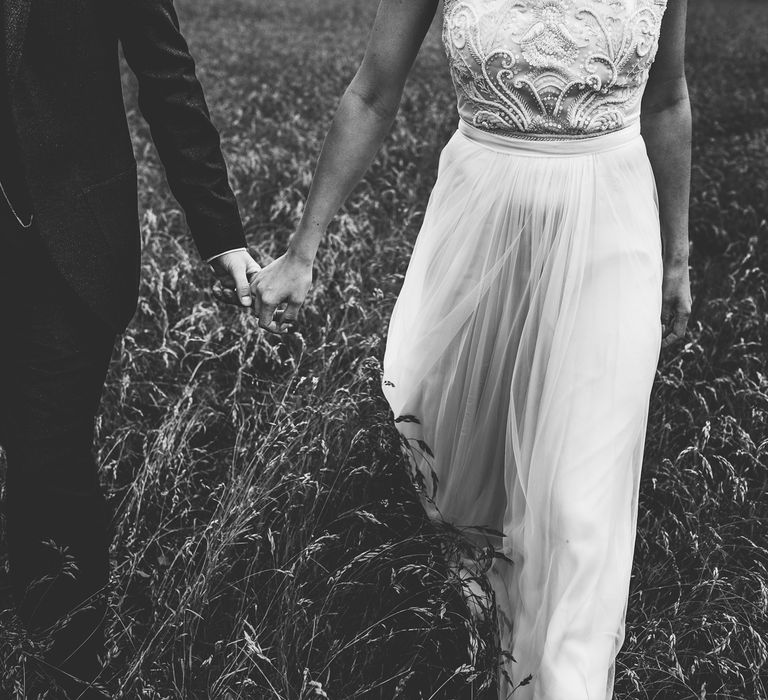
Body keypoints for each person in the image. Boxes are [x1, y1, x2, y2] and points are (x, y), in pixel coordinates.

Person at [248, 0, 692, 697]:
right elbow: (371, 91)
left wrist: (678, 257)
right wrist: (303, 250)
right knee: (444, 440)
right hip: (479, 222)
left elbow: (667, 98)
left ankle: (563, 682)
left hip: (611, 227)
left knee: (578, 503)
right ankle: (489, 643)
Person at [0, 0, 258, 697]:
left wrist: (220, 230)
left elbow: (165, 69)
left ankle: (63, 677)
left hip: (62, 246)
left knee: (46, 467)